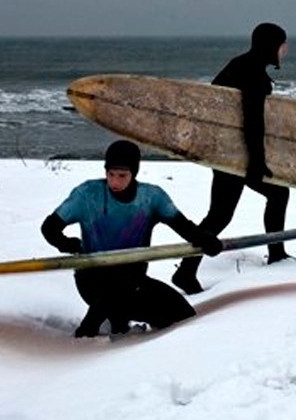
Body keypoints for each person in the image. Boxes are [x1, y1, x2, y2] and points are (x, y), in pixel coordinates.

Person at [42, 140, 222, 337]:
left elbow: (184, 227)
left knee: (183, 314)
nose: (115, 182)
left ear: (134, 173)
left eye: (122, 175)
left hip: (133, 281)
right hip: (93, 280)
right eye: (110, 174)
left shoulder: (151, 198)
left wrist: (206, 240)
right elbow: (50, 228)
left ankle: (119, 322)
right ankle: (87, 333)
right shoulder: (87, 194)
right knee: (112, 298)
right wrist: (67, 244)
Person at [172, 22, 296, 295]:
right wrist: (255, 161)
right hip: (234, 156)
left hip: (227, 153)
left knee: (261, 200)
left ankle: (276, 253)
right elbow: (252, 120)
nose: (285, 50)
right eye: (282, 45)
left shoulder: (241, 65)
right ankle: (186, 270)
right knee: (222, 215)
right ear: (271, 45)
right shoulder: (252, 73)